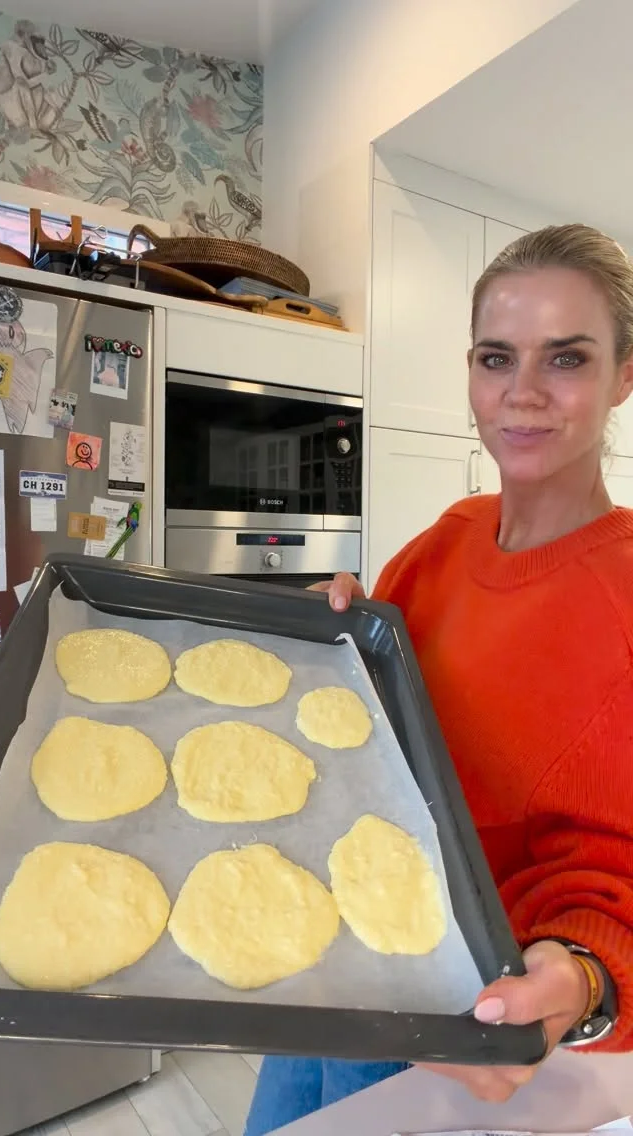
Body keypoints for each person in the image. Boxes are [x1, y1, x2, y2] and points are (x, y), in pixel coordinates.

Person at [243, 223, 633, 1136]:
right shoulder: (445, 542)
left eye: (566, 358)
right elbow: (375, 743)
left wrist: (585, 978)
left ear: (624, 376)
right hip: (335, 959)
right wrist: (330, 646)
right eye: (498, 358)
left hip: (467, 1025)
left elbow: (614, 868)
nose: (522, 392)